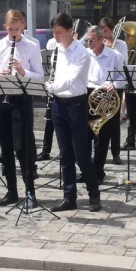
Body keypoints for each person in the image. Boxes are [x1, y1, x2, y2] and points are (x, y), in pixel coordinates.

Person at [0, 9, 44, 207]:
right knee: (7, 148)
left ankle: (30, 192)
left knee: (22, 148)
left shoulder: (32, 45)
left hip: (21, 100)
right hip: (1, 100)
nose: (13, 33)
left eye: (17, 29)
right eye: (10, 29)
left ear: (24, 27)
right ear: (5, 27)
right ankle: (11, 191)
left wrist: (22, 70)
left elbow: (40, 75)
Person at [47, 13, 101, 213]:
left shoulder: (81, 52)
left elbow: (70, 79)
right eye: (54, 32)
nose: (56, 36)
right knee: (65, 153)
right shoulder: (56, 49)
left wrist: (49, 87)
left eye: (59, 32)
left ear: (71, 31)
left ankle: (94, 194)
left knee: (81, 153)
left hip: (76, 104)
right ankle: (69, 197)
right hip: (58, 104)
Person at [85, 26, 125, 181]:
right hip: (88, 95)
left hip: (106, 97)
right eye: (87, 40)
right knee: (85, 137)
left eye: (92, 40)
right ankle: (87, 171)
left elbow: (123, 78)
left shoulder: (114, 55)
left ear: (101, 39)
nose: (89, 43)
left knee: (102, 138)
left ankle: (98, 172)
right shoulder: (86, 54)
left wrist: (113, 84)